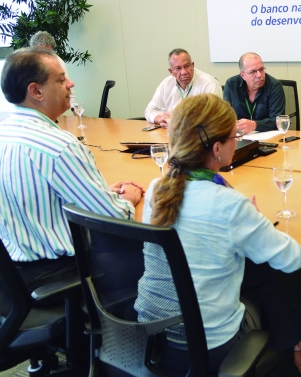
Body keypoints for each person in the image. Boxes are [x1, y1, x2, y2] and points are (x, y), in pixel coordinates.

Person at [134, 94, 301, 374]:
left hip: (150, 337)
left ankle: (299, 344)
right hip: (209, 344)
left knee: (248, 265)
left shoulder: (157, 188)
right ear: (217, 149)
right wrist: (256, 220)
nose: (238, 141)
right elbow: (292, 260)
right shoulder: (228, 203)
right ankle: (297, 345)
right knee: (260, 270)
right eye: (235, 136)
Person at [0, 47, 144, 290]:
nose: (71, 83)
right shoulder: (59, 146)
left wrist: (94, 193)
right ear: (36, 91)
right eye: (61, 79)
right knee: (149, 250)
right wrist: (128, 200)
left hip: (12, 275)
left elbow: (33, 198)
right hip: (58, 273)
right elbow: (113, 217)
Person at [145, 48, 222, 128]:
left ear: (192, 65)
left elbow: (214, 116)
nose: (184, 72)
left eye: (187, 66)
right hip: (170, 134)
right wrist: (160, 119)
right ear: (171, 71)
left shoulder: (209, 83)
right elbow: (150, 110)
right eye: (178, 68)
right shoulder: (166, 84)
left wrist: (179, 122)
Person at [223, 52, 285, 134]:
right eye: (253, 72)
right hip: (240, 137)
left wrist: (254, 125)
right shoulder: (231, 84)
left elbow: (278, 120)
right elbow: (225, 116)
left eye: (261, 69)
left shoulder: (274, 86)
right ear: (242, 75)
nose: (259, 75)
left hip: (267, 138)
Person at [29, 31, 76, 111]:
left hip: (55, 109)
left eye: (48, 52)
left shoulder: (57, 62)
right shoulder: (26, 63)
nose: (44, 55)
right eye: (41, 52)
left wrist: (74, 109)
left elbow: (68, 87)